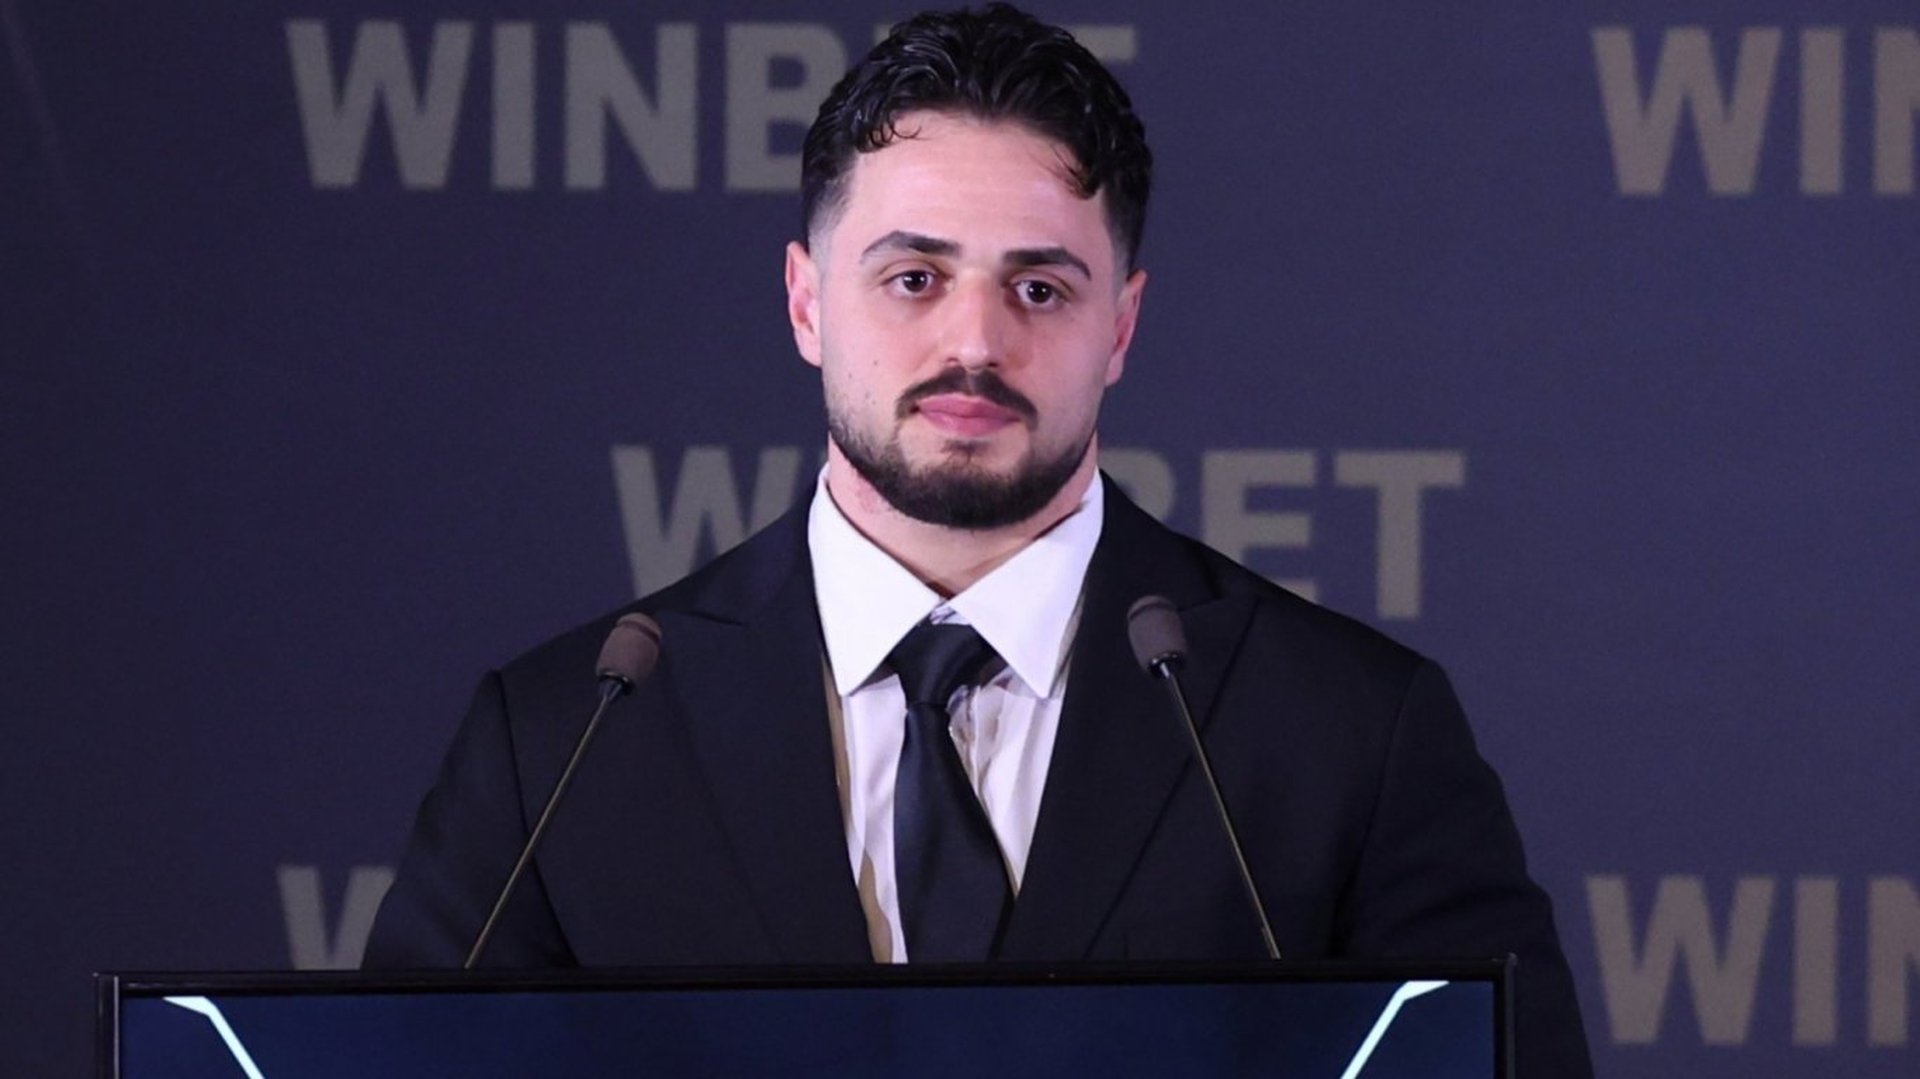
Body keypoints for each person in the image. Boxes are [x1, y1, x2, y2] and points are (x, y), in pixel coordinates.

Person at [366, 5, 1592, 1074]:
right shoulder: (566, 739)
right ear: (806, 301)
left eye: (1039, 288)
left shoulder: (1349, 731)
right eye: (914, 277)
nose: (975, 344)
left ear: (1121, 327)